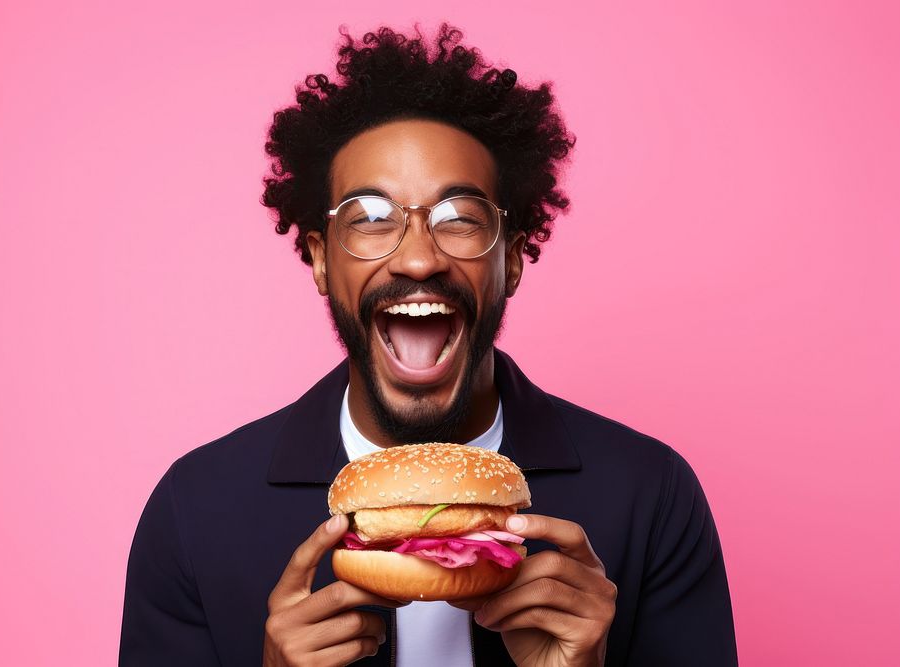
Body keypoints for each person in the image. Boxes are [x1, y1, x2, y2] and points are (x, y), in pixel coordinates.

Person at [119, 24, 738, 667]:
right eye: (371, 219)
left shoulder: (651, 494)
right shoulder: (195, 509)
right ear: (321, 261)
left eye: (460, 220)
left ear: (514, 258)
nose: (418, 259)